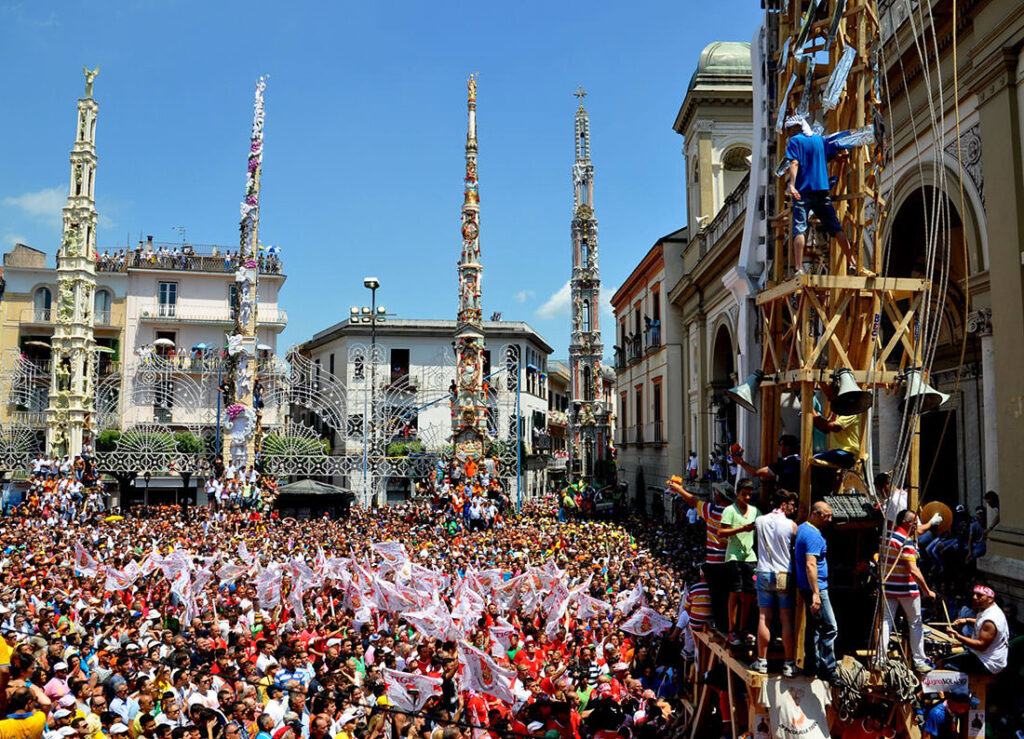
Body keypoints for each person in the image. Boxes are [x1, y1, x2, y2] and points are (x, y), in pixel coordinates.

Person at [784, 115, 857, 275]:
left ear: (793, 128)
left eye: (787, 130)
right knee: (836, 227)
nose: (787, 134)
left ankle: (798, 268)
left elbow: (794, 162)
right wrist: (842, 160)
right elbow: (834, 155)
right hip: (822, 190)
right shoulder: (819, 140)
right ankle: (852, 262)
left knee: (800, 229)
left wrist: (792, 184)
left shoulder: (795, 141)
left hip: (803, 191)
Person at [666, 477, 730, 633]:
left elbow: (693, 501)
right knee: (728, 596)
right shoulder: (736, 512)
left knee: (717, 596)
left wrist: (679, 489)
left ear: (719, 496)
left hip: (714, 562)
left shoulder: (713, 510)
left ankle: (721, 626)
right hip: (730, 561)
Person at [879, 510, 936, 674]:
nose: (917, 527)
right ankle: (919, 660)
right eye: (915, 524)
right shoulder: (905, 542)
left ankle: (880, 659)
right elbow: (914, 570)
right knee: (915, 623)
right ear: (906, 523)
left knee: (886, 622)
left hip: (889, 587)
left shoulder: (886, 537)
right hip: (906, 589)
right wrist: (927, 590)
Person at [752, 490, 798, 676]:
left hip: (763, 572)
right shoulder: (791, 525)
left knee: (764, 618)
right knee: (786, 619)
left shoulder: (760, 521)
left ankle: (762, 661)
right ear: (784, 504)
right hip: (783, 573)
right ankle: (789, 663)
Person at [795, 501, 837, 682]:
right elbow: (810, 564)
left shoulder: (803, 528)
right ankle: (828, 669)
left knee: (814, 628)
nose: (830, 519)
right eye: (825, 516)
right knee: (830, 627)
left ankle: (811, 665)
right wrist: (816, 593)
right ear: (815, 514)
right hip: (817, 587)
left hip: (808, 586)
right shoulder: (813, 536)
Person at [717, 480, 760, 646]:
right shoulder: (730, 510)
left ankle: (743, 629)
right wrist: (742, 529)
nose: (747, 497)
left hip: (750, 557)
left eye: (750, 494)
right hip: (734, 556)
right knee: (735, 592)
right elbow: (721, 532)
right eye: (744, 494)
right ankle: (731, 629)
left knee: (749, 595)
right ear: (738, 493)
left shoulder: (756, 511)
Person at [944, 584, 1009, 674]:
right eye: (974, 594)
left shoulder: (990, 620)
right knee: (945, 659)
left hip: (988, 663)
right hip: (982, 656)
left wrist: (957, 636)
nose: (974, 597)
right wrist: (966, 620)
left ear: (990, 599)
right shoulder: (990, 609)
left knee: (945, 666)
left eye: (979, 595)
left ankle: (962, 688)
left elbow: (981, 645)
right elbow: (982, 623)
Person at [731, 435, 801, 500]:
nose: (780, 448)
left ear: (787, 447)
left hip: (787, 500)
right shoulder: (799, 459)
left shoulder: (785, 462)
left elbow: (755, 472)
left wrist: (741, 462)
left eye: (781, 445)